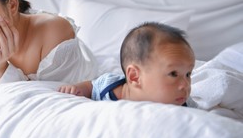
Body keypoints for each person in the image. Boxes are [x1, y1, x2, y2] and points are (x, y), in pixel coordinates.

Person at [59, 22, 195, 106]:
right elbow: (92, 86)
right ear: (135, 77)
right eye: (173, 74)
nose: (185, 85)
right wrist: (77, 89)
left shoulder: (183, 104)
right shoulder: (109, 87)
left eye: (188, 74)